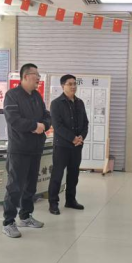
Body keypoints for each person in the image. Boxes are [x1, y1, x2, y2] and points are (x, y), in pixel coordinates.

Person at [2, 63, 51, 238]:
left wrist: (44, 125)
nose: (38, 78)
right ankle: (8, 222)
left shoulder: (36, 96)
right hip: (19, 149)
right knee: (15, 186)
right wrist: (34, 126)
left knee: (31, 185)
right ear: (24, 76)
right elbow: (14, 120)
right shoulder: (12, 95)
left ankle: (26, 216)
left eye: (38, 74)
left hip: (35, 148)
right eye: (35, 74)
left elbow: (47, 115)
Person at [48, 74, 89, 215]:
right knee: (57, 175)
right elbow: (57, 126)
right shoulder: (56, 103)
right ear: (62, 86)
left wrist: (81, 137)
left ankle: (70, 200)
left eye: (75, 84)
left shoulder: (80, 103)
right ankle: (53, 203)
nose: (73, 86)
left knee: (74, 174)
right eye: (70, 84)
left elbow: (85, 123)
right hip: (62, 146)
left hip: (77, 146)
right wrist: (72, 138)